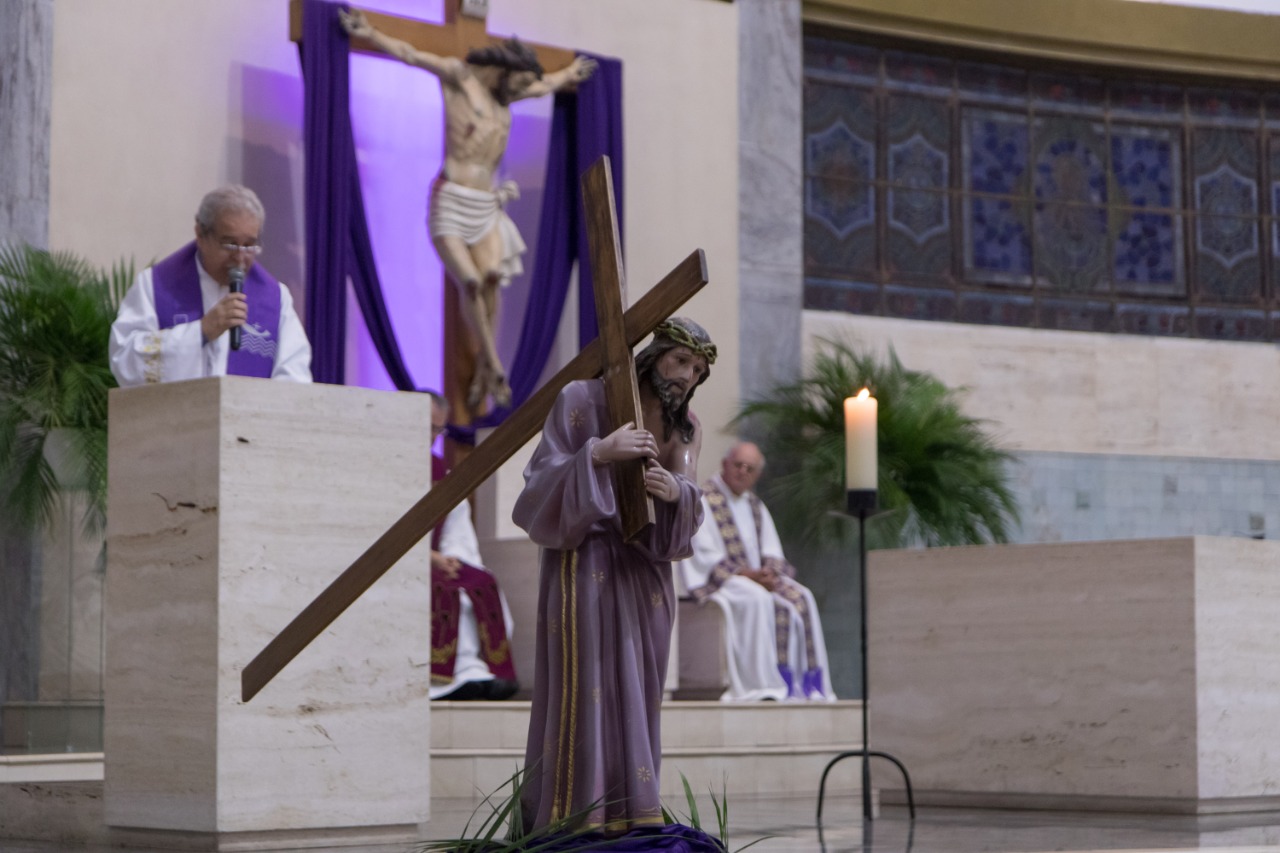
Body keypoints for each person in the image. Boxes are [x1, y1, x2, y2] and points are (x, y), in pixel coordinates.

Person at [513, 317, 716, 836]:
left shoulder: (685, 426)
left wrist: (675, 492)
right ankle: (574, 817)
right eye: (680, 361)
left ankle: (631, 813)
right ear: (654, 355)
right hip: (587, 562)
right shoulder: (581, 398)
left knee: (637, 692)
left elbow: (688, 493)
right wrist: (598, 454)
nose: (686, 377)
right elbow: (538, 484)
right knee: (587, 684)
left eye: (697, 369)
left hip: (644, 576)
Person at [339, 9, 596, 411]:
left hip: (487, 204)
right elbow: (411, 53)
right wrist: (371, 32)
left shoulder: (507, 95)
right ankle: (493, 364)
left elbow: (546, 84)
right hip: (452, 199)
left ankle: (483, 370)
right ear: (505, 71)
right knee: (472, 282)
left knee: (492, 276)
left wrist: (569, 75)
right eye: (521, 82)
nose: (524, 90)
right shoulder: (460, 78)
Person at [677, 442, 836, 703]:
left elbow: (772, 550)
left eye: (750, 468)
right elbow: (703, 554)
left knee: (803, 597)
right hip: (723, 582)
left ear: (757, 474)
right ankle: (761, 684)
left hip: (757, 580)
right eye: (738, 465)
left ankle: (807, 685)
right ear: (725, 465)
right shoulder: (703, 499)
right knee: (757, 598)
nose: (743, 472)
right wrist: (749, 575)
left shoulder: (755, 505)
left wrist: (769, 574)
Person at [109, 185, 312, 386]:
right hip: (177, 417)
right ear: (200, 234)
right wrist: (201, 331)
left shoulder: (276, 299)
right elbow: (124, 360)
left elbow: (295, 378)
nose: (240, 257)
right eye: (230, 243)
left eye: (250, 245)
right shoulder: (155, 286)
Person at [425, 391, 518, 701]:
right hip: (399, 567)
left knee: (480, 582)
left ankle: (476, 671)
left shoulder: (443, 477)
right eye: (424, 426)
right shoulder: (381, 473)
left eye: (436, 429)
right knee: (443, 593)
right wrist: (428, 558)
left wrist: (451, 559)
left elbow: (456, 527)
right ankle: (441, 681)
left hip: (435, 560)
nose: (430, 436)